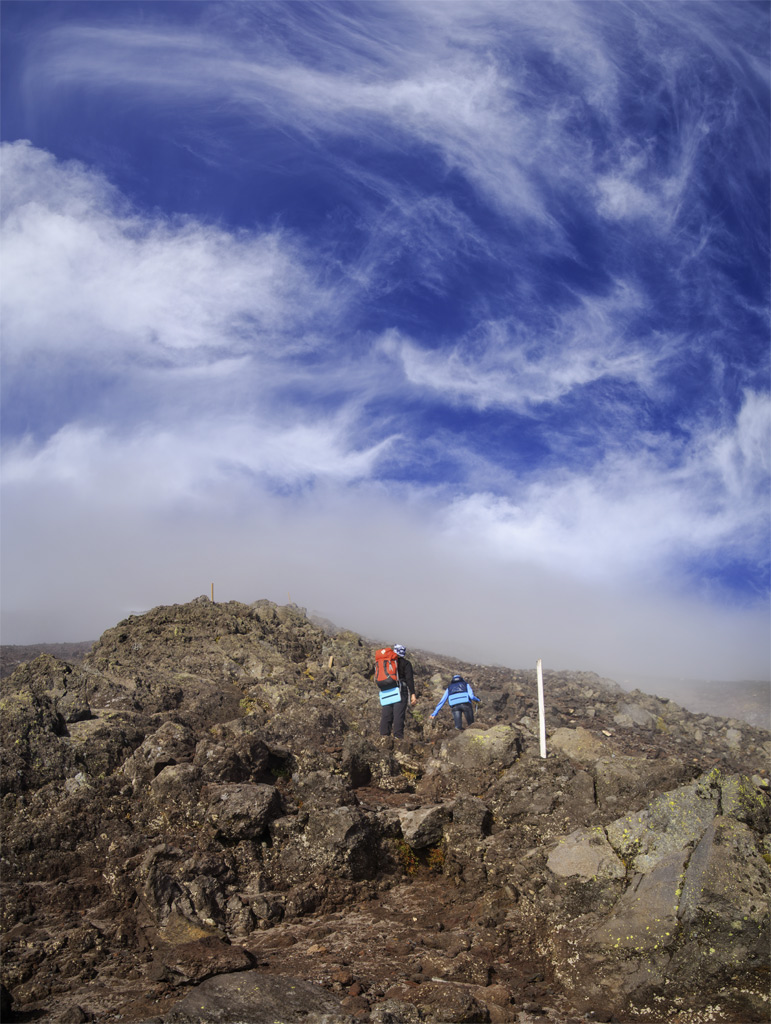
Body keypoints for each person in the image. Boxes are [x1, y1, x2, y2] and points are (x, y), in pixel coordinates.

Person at [380, 643, 417, 740]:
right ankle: (398, 737)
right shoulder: (406, 663)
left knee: (386, 714)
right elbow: (409, 679)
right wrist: (413, 694)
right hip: (400, 690)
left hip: (386, 690)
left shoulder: (386, 662)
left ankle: (384, 737)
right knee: (398, 714)